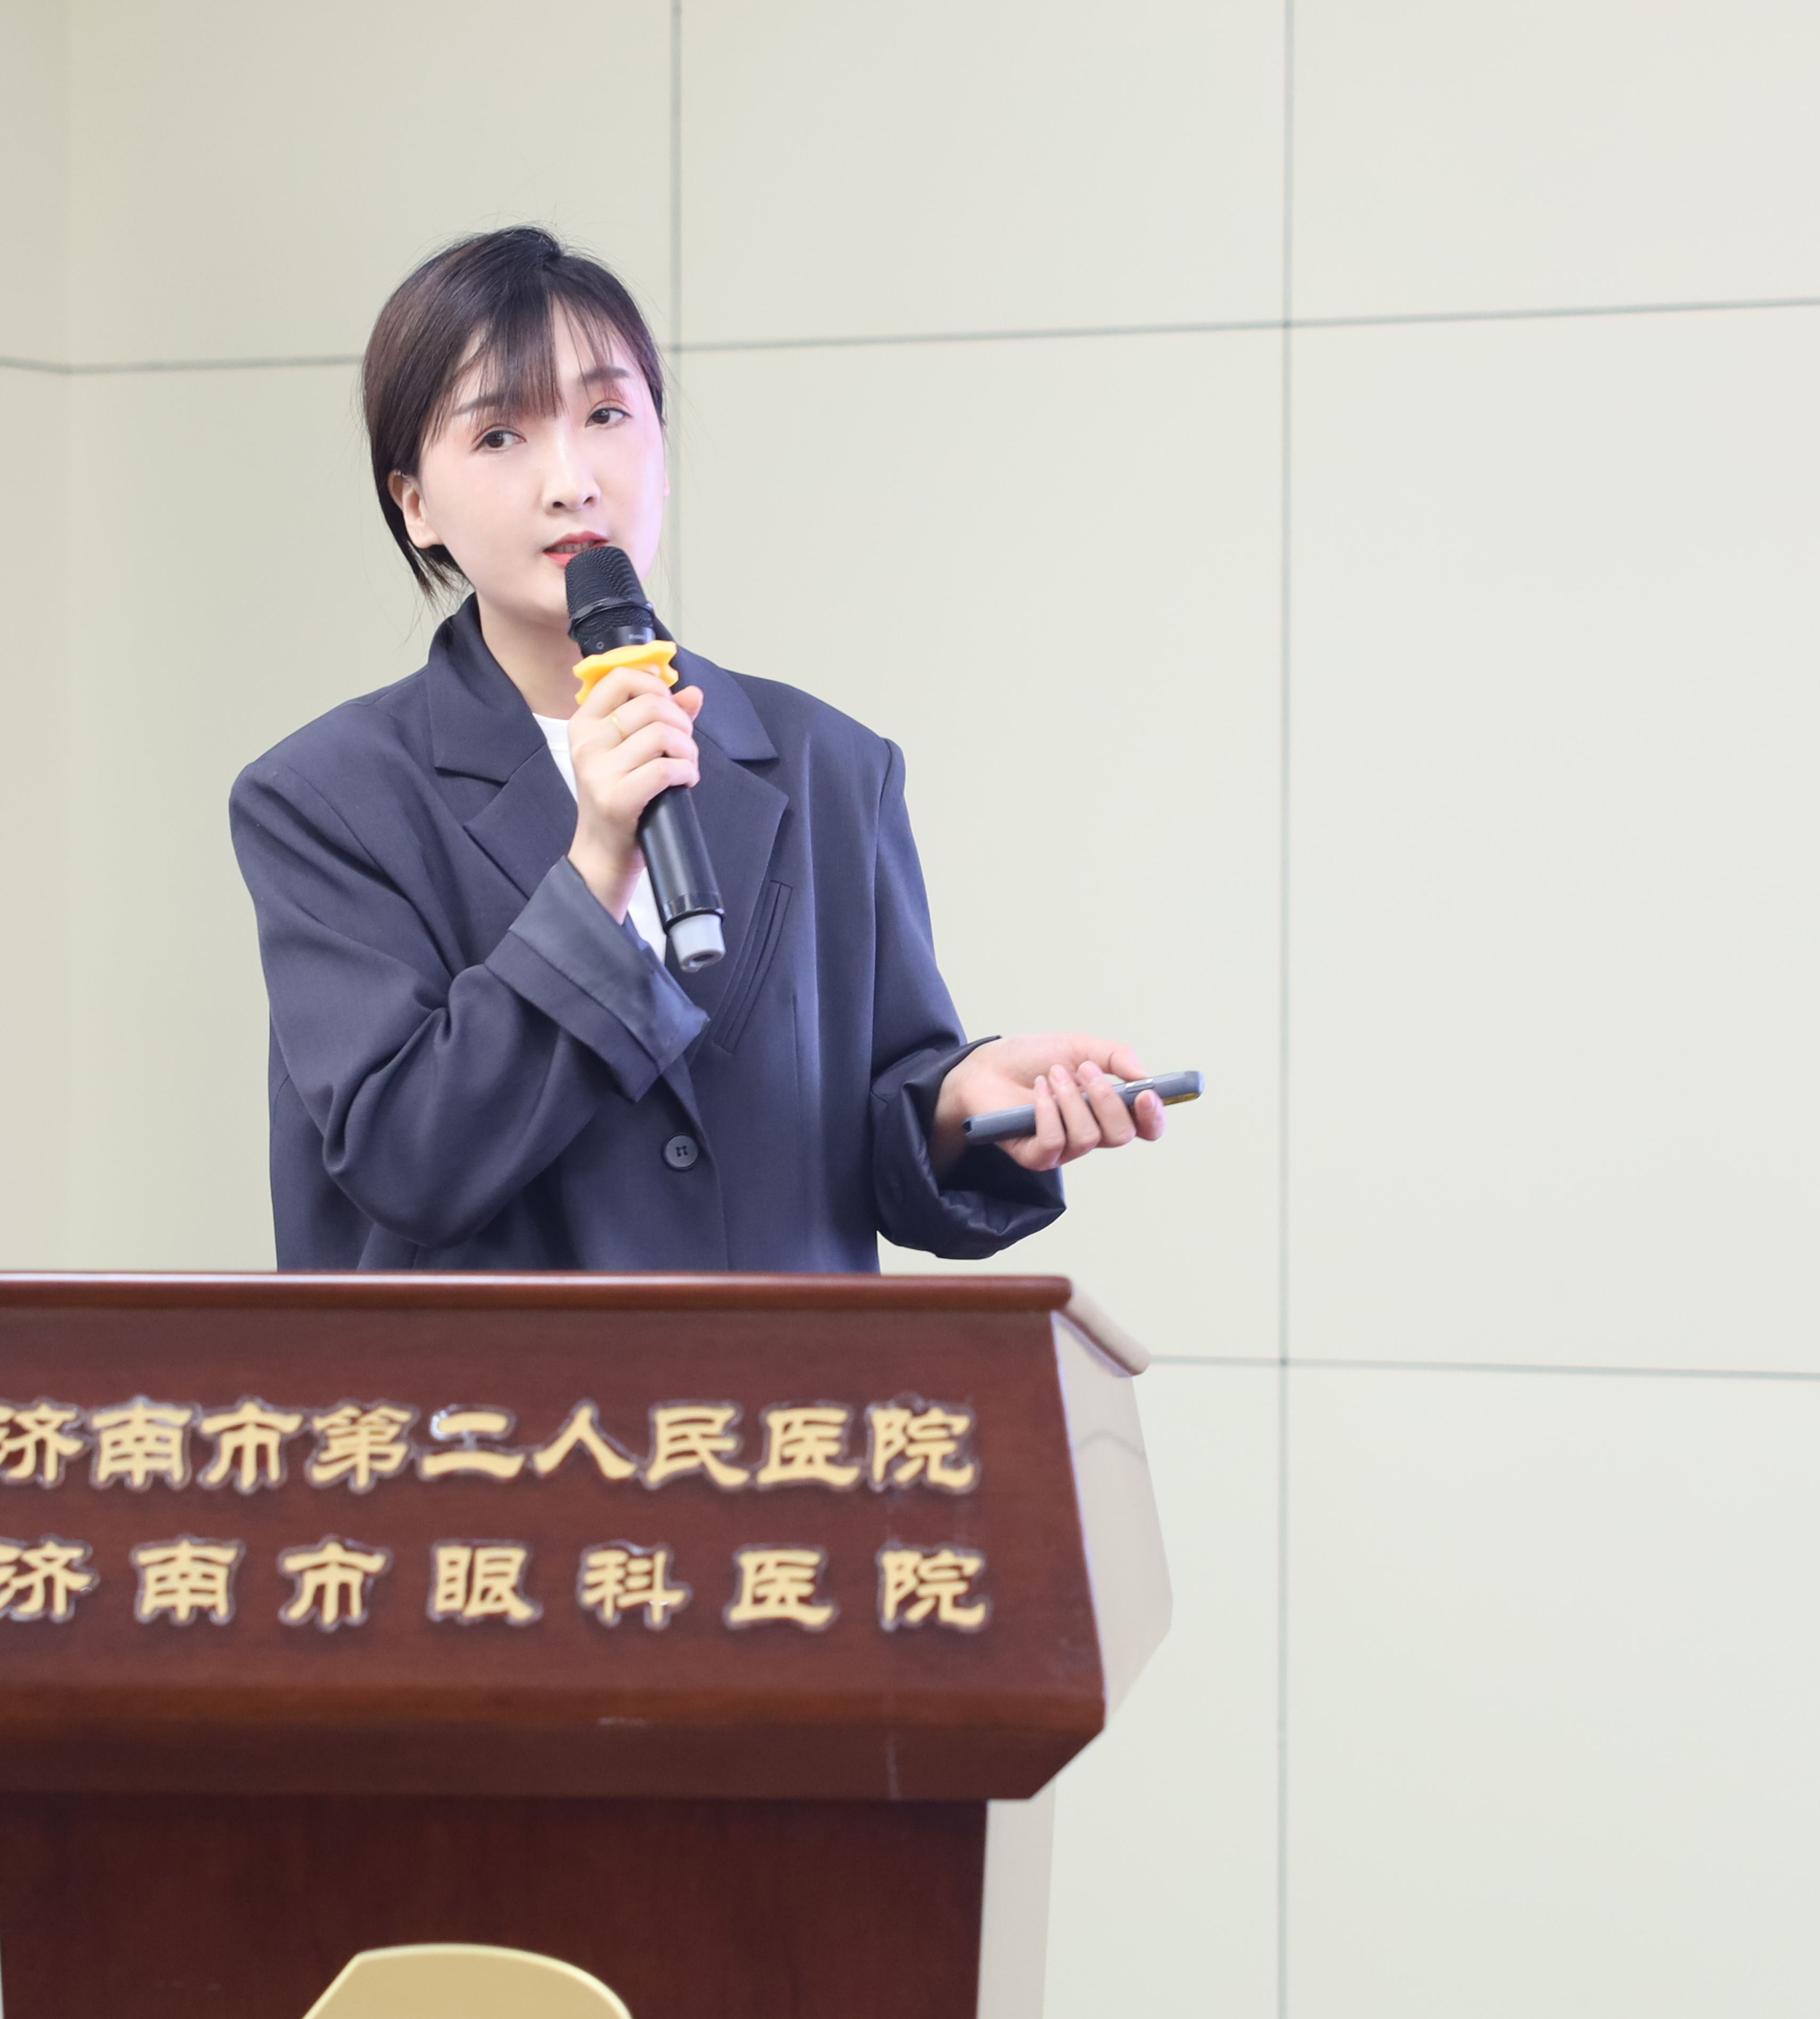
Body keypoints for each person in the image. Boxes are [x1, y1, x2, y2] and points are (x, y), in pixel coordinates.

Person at [229, 227, 1166, 1272]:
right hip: (491, 1385)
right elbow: (406, 1161)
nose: (571, 480)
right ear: (416, 506)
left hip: (764, 1381)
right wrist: (597, 869)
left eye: (606, 415)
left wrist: (958, 1109)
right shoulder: (327, 797)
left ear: (662, 453)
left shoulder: (828, 766)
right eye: (499, 435)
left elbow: (869, 1120)